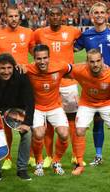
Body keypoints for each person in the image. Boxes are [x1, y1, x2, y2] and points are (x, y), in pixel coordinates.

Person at [33, 5, 83, 168]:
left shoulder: (72, 31)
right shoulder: (40, 33)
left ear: (62, 16)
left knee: (71, 121)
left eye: (57, 14)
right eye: (52, 14)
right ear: (48, 16)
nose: (55, 17)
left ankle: (75, 155)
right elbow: (33, 49)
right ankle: (48, 156)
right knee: (47, 122)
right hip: (48, 84)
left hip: (68, 84)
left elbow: (83, 42)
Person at [0, 4, 34, 170]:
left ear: (19, 17)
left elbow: (36, 55)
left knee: (25, 117)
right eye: (10, 16)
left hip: (22, 82)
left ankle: (30, 156)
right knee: (4, 120)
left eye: (16, 16)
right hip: (3, 83)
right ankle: (6, 157)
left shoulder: (29, 33)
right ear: (5, 17)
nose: (13, 19)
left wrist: (28, 66)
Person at [0, 53, 35, 183]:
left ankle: (22, 169)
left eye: (9, 68)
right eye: (2, 68)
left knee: (27, 133)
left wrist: (27, 123)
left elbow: (30, 101)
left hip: (16, 111)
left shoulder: (22, 76)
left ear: (14, 67)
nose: (6, 71)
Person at [74, 2, 110, 166]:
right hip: (95, 83)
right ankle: (98, 155)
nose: (99, 15)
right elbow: (72, 49)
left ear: (107, 15)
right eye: (96, 12)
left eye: (102, 12)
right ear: (91, 16)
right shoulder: (86, 35)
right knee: (97, 120)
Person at [26, 44, 70, 176]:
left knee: (64, 134)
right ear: (34, 59)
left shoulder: (60, 66)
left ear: (49, 58)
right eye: (38, 59)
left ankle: (56, 161)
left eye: (45, 58)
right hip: (37, 108)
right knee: (39, 134)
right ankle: (39, 161)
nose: (42, 61)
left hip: (55, 106)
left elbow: (75, 69)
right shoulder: (28, 69)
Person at [70, 49, 110, 175]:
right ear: (86, 62)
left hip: (106, 103)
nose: (95, 64)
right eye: (92, 61)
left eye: (98, 61)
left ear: (102, 60)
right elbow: (63, 70)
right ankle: (79, 164)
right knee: (79, 130)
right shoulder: (80, 70)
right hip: (86, 103)